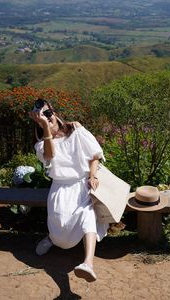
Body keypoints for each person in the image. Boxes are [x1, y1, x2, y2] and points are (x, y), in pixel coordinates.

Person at [29, 98, 108, 282]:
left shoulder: (75, 130)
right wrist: (46, 127)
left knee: (88, 214)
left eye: (49, 113)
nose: (48, 118)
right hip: (61, 188)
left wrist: (93, 176)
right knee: (60, 226)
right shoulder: (41, 143)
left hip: (82, 184)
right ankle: (51, 238)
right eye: (43, 116)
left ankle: (88, 263)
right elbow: (50, 156)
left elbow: (94, 155)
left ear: (54, 112)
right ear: (38, 122)